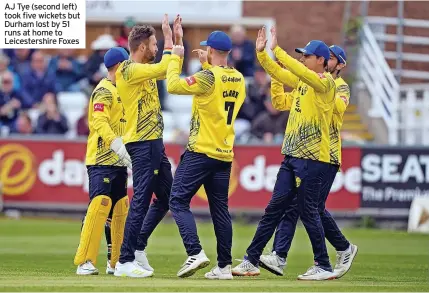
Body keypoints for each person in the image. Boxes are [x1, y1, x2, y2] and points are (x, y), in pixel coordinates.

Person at [232, 26, 337, 281]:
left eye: (307, 56)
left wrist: (277, 50)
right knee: (273, 209)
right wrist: (263, 55)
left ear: (321, 61)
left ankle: (323, 265)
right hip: (292, 155)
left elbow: (298, 71)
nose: (302, 59)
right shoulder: (304, 82)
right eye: (301, 55)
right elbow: (278, 73)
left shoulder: (325, 83)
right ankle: (251, 260)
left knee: (309, 210)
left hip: (313, 158)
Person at [258, 45, 358, 279]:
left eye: (334, 59)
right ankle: (279, 255)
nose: (330, 61)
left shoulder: (338, 86)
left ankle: (341, 249)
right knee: (299, 207)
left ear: (339, 65)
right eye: (328, 57)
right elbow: (282, 102)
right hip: (305, 153)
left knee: (310, 208)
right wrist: (278, 77)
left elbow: (340, 106)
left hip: (327, 155)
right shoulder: (310, 84)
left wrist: (319, 89)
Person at [166, 30, 246, 280]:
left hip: (201, 150)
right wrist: (205, 64)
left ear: (211, 51)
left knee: (177, 200)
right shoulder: (239, 77)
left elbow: (172, 85)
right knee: (220, 210)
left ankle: (195, 251)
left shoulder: (208, 76)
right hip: (224, 154)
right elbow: (216, 90)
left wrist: (175, 58)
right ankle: (224, 267)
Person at [113, 14, 182, 278]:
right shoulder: (128, 70)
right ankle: (124, 260)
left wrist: (172, 40)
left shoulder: (146, 68)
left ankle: (138, 245)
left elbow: (169, 68)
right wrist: (171, 43)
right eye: (153, 45)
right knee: (141, 198)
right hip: (141, 143)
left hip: (154, 143)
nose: (155, 49)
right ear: (142, 47)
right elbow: (165, 67)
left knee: (168, 197)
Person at [74, 47, 132, 275]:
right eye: (126, 64)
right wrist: (116, 143)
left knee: (120, 208)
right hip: (101, 158)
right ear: (118, 66)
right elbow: (99, 122)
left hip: (119, 160)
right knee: (100, 205)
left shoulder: (124, 90)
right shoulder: (104, 91)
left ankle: (116, 262)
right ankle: (85, 261)